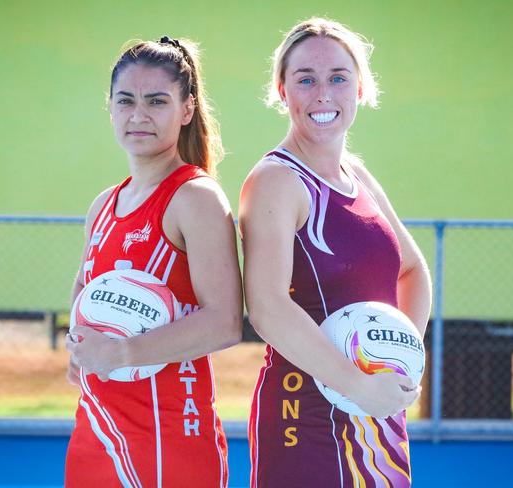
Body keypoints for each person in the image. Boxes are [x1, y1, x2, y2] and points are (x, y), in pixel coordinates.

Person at [239, 18, 432, 487]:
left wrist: (398, 360)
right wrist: (358, 385)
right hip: (302, 417)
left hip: (376, 415)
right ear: (282, 91)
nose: (323, 93)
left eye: (338, 77)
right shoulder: (275, 181)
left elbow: (412, 271)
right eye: (305, 79)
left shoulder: (358, 176)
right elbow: (266, 307)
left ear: (360, 87)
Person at [64, 36, 243, 488]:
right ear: (110, 108)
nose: (138, 114)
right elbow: (84, 301)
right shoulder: (104, 205)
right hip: (97, 430)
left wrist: (122, 352)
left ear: (186, 110)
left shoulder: (195, 197)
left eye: (156, 101)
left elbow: (225, 322)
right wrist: (81, 348)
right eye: (125, 100)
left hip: (169, 441)